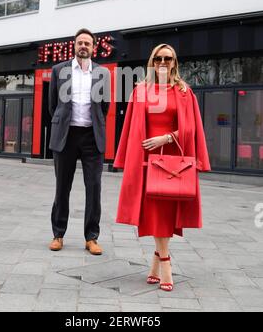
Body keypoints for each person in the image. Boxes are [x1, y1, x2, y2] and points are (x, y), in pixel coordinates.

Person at [114, 44, 211, 291]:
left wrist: (166, 138)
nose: (163, 62)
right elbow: (131, 127)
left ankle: (161, 260)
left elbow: (191, 129)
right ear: (152, 62)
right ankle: (161, 262)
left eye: (168, 58)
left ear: (174, 62)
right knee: (155, 212)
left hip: (172, 160)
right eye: (158, 58)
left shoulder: (183, 91)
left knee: (166, 212)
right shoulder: (140, 91)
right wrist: (127, 158)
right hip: (147, 161)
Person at [48, 28, 111, 255]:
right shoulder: (59, 70)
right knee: (62, 187)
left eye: (87, 43)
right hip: (66, 136)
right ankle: (58, 234)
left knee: (94, 188)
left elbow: (105, 106)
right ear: (73, 46)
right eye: (80, 42)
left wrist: (95, 124)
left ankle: (91, 238)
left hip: (92, 138)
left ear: (94, 47)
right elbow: (53, 104)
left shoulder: (103, 73)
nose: (83, 46)